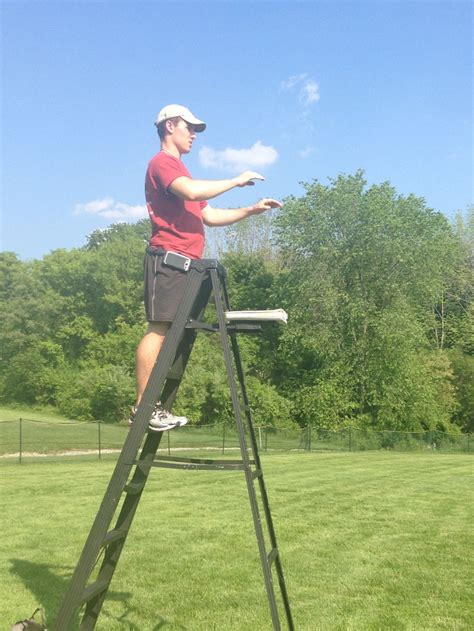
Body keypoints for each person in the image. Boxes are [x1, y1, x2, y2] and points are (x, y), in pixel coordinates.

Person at [131, 104, 282, 431]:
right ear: (171, 125)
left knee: (171, 334)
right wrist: (237, 180)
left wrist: (251, 210)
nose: (194, 135)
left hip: (187, 266)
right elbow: (191, 191)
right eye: (190, 128)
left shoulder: (182, 172)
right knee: (158, 330)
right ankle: (143, 407)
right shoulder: (162, 164)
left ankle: (154, 406)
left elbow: (209, 216)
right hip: (167, 261)